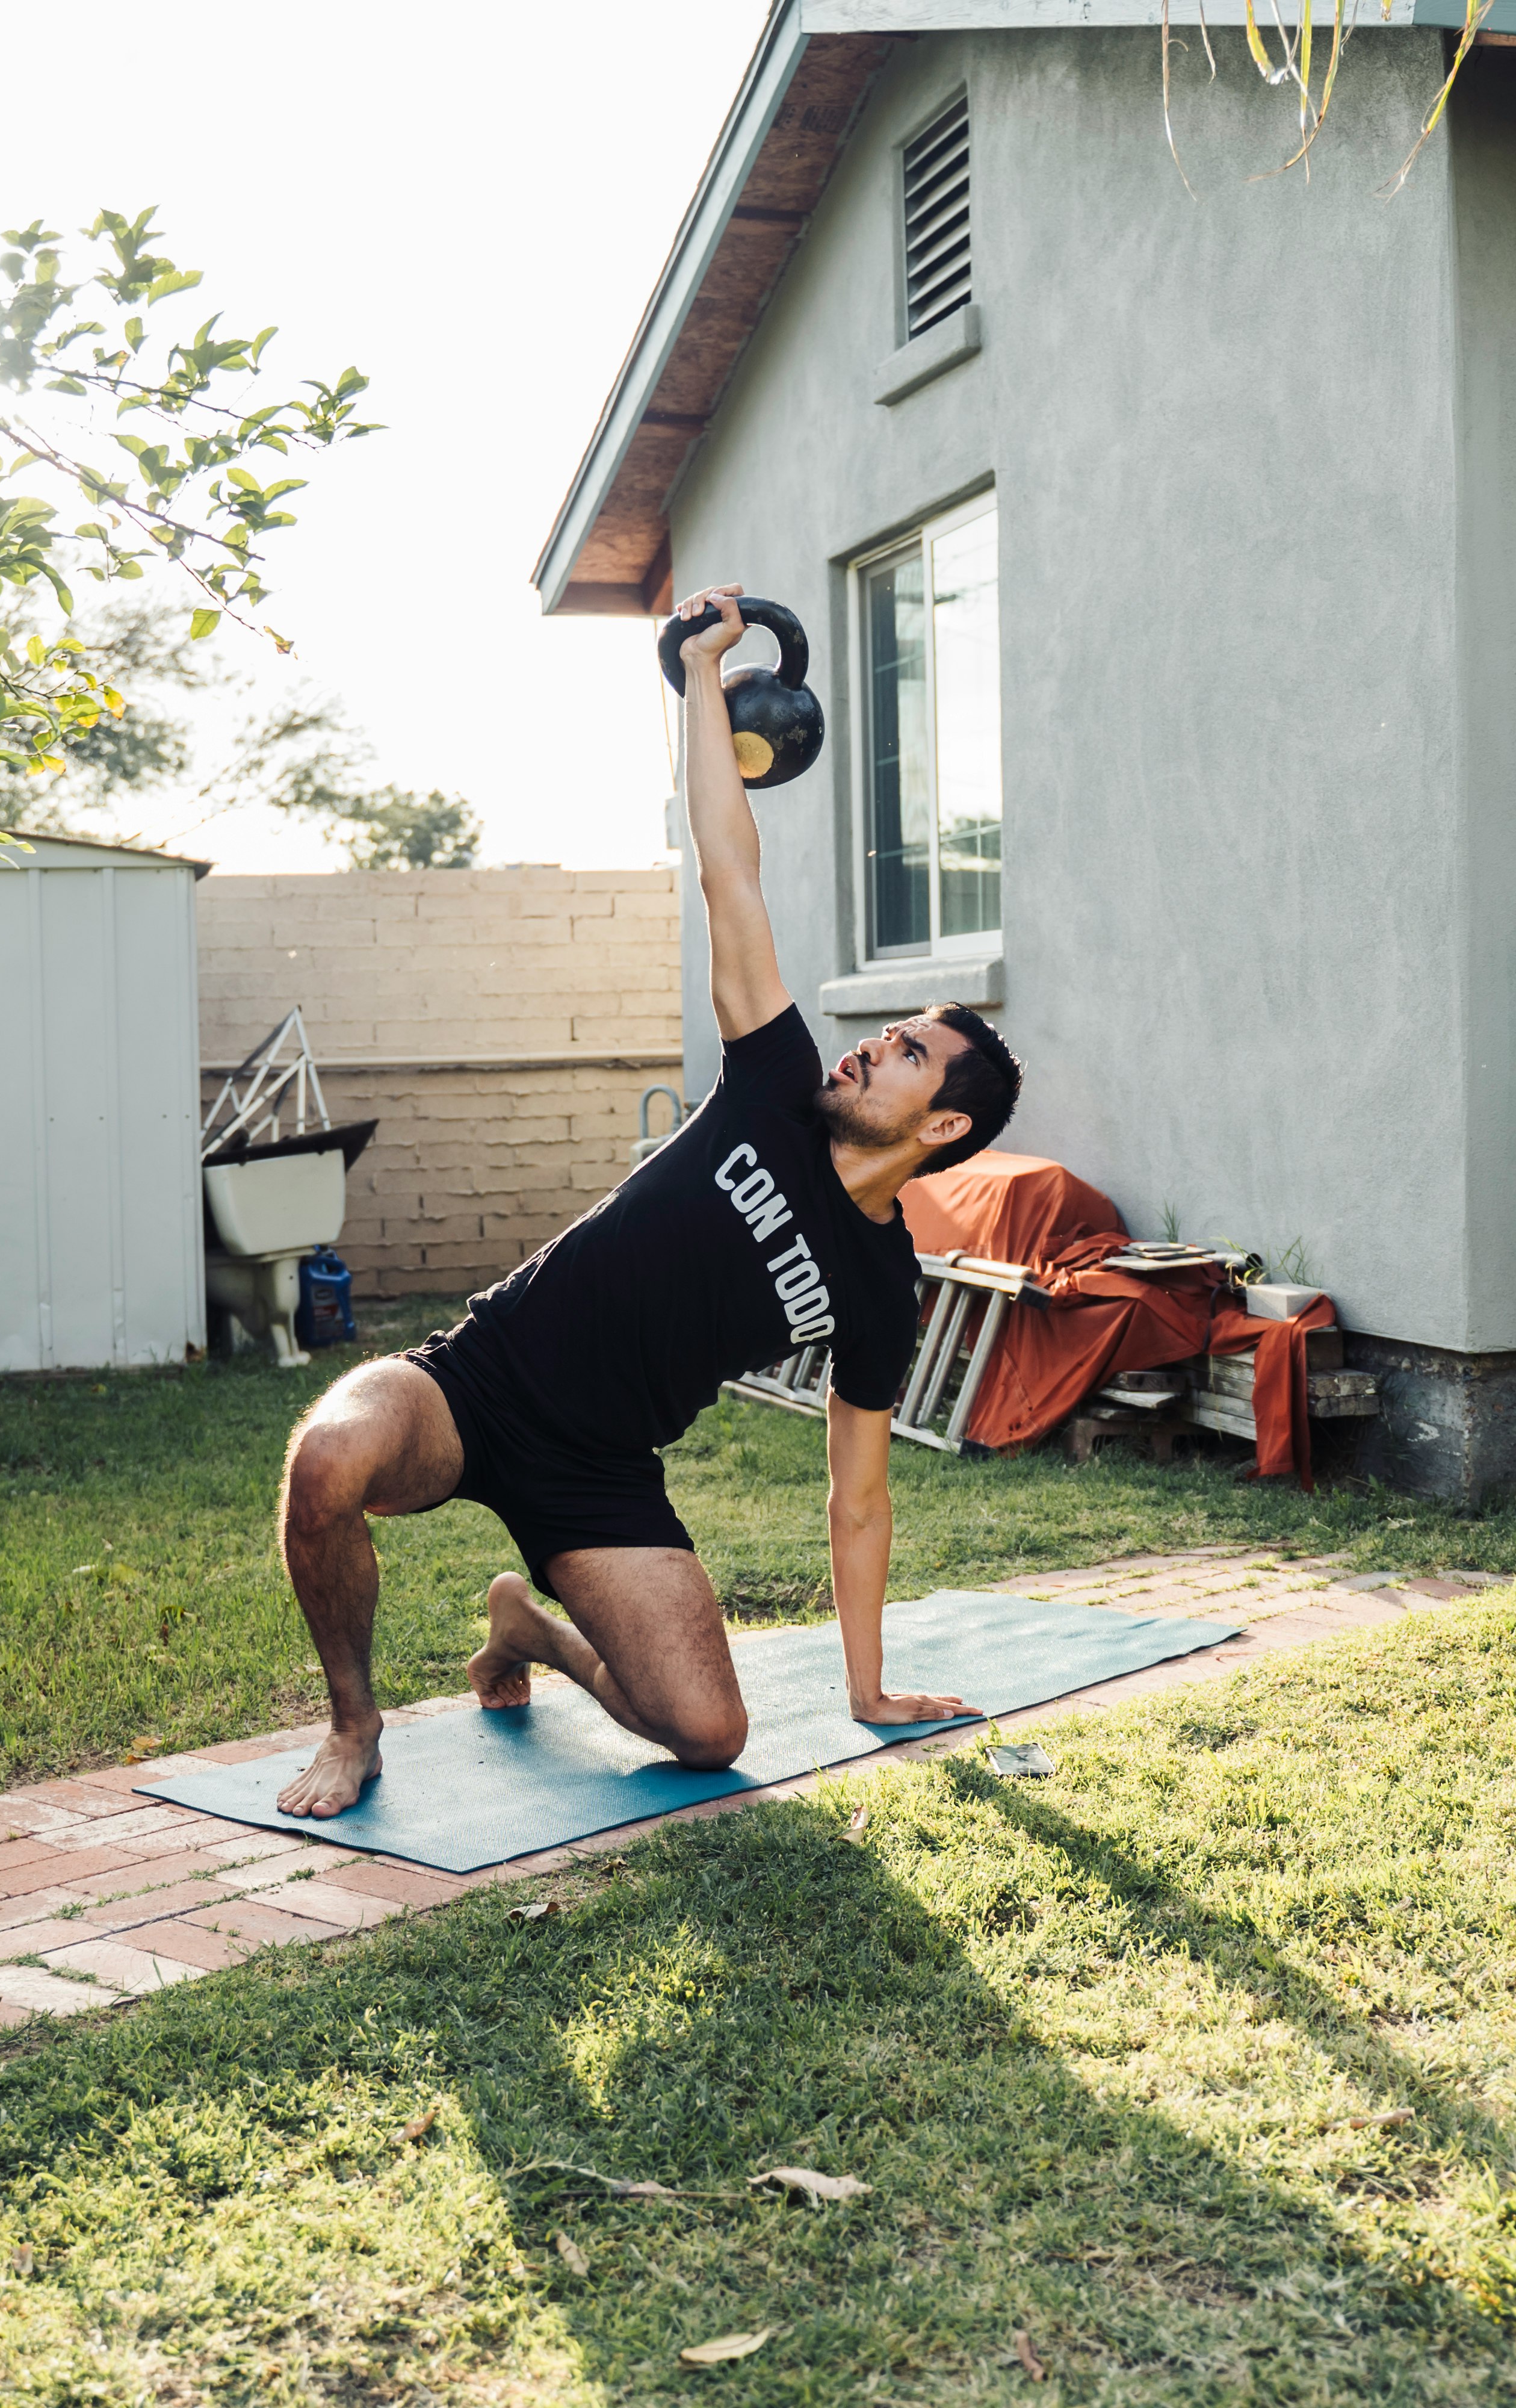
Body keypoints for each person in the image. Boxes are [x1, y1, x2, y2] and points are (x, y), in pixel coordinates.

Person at [266, 584, 1026, 1817]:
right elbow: (730, 865)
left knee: (708, 1732)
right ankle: (356, 1727)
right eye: (882, 1034)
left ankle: (529, 1625)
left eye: (902, 1054)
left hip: (603, 1471)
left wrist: (870, 1687)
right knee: (329, 1458)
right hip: (481, 1378)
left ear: (943, 1126)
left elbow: (860, 1493)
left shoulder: (885, 1287)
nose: (865, 1050)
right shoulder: (774, 1079)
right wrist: (702, 684)